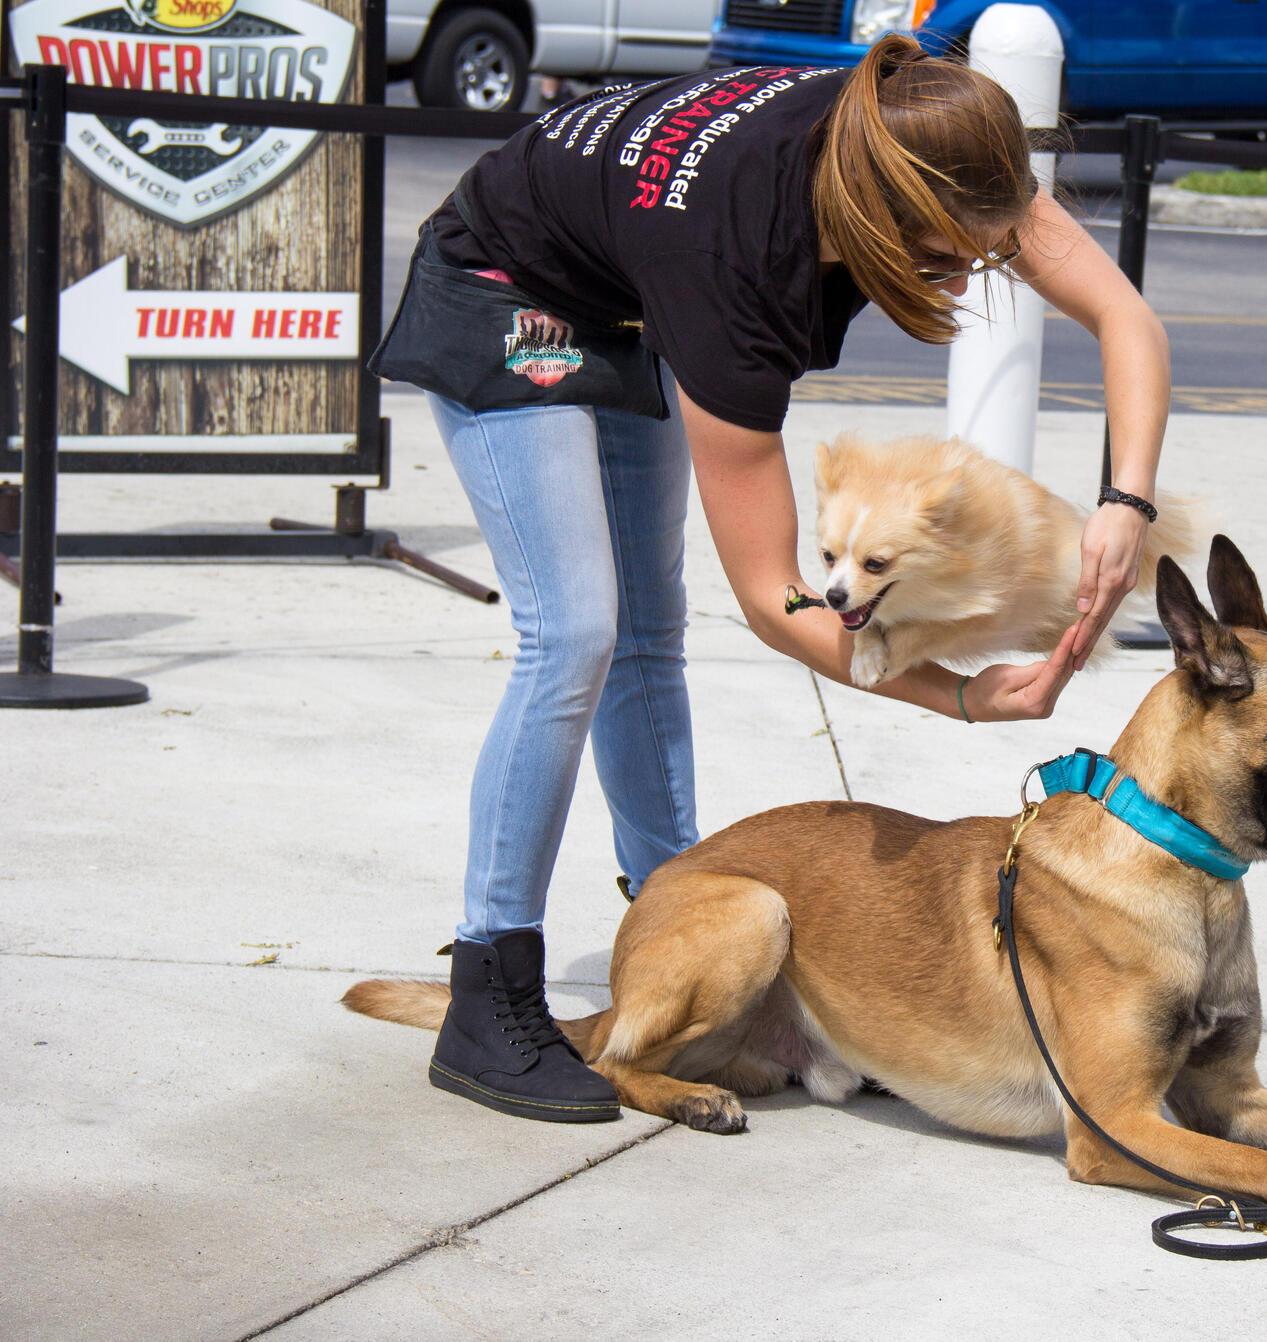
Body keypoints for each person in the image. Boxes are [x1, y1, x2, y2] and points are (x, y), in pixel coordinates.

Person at [368, 35, 1171, 1124]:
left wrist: (1125, 502)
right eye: (946, 260)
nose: (965, 278)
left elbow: (1125, 317)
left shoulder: (930, 134)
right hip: (505, 282)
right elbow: (774, 597)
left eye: (987, 254)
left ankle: (683, 918)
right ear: (880, 212)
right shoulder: (732, 266)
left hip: (622, 278)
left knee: (649, 631)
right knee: (579, 632)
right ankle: (487, 987)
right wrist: (960, 695)